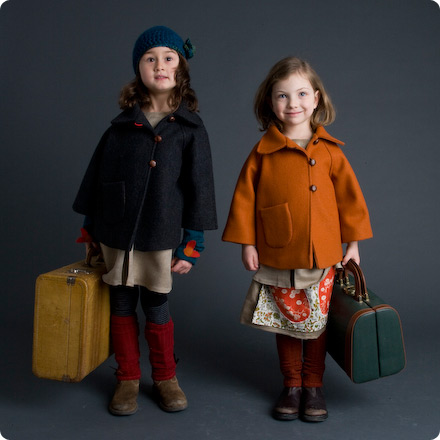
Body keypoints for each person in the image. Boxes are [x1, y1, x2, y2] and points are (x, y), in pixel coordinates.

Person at [73, 25, 217, 416]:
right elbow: (98, 180)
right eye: (150, 59)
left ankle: (166, 378)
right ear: (139, 68)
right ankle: (127, 379)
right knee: (120, 304)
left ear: (180, 67)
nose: (159, 65)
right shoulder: (121, 126)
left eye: (168, 58)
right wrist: (90, 229)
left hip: (160, 234)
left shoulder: (190, 128)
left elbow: (200, 189)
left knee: (156, 305)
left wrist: (192, 244)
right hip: (116, 233)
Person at [222, 57, 372, 422]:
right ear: (270, 102)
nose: (293, 103)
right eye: (283, 96)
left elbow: (351, 201)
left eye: (302, 94)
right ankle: (291, 384)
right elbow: (244, 199)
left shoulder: (331, 151)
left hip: (323, 256)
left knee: (316, 323)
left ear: (316, 99)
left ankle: (314, 385)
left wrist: (353, 246)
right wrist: (247, 243)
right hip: (277, 251)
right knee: (286, 321)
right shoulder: (262, 152)